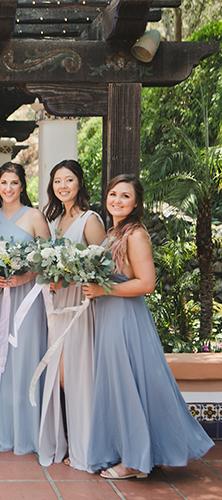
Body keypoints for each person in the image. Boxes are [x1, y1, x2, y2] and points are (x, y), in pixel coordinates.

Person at [82, 174, 214, 478]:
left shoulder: (135, 234)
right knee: (120, 386)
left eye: (125, 196)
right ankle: (133, 453)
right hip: (109, 316)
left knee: (127, 386)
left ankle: (133, 461)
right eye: (113, 194)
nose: (117, 200)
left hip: (125, 318)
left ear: (137, 203)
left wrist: (104, 291)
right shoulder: (113, 233)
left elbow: (147, 283)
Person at [39, 159, 106, 472]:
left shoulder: (90, 220)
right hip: (57, 305)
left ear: (79, 182)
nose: (62, 186)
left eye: (68, 180)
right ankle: (70, 440)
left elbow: (104, 267)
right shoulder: (54, 221)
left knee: (78, 376)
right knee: (62, 376)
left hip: (79, 305)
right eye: (56, 181)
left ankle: (88, 447)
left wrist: (71, 278)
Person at [0, 162, 50, 455]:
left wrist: (26, 275)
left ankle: (28, 434)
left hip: (28, 298)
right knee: (0, 362)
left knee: (25, 358)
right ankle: (3, 431)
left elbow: (49, 259)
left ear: (22, 186)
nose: (9, 188)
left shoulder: (35, 216)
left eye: (14, 183)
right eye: (4, 183)